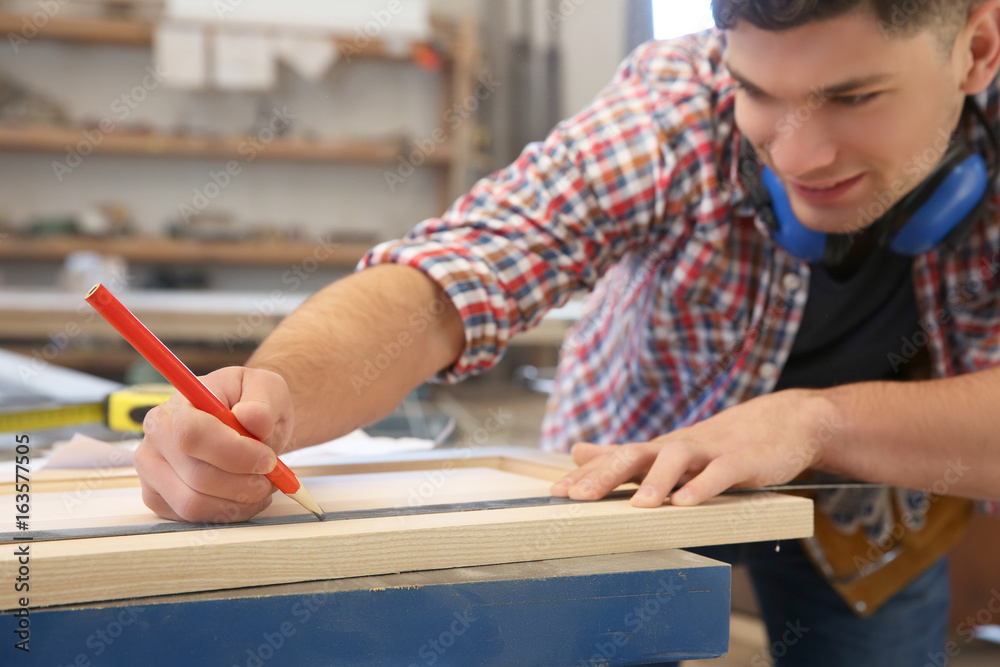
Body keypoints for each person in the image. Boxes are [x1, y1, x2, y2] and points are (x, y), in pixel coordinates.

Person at [136, 1, 1000, 664]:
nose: (798, 155)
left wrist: (816, 422)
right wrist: (271, 395)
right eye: (758, 93)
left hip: (877, 493)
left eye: (853, 96)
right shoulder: (672, 114)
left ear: (977, 47)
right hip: (630, 477)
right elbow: (448, 277)